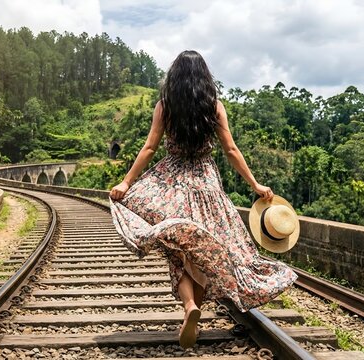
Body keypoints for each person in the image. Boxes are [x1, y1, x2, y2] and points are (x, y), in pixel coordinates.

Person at [109, 50, 297, 349]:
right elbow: (231, 150)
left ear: (175, 77)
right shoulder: (214, 106)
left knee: (179, 250)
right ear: (204, 78)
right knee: (201, 249)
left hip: (171, 183)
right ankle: (194, 314)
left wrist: (126, 182)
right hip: (206, 183)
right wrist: (255, 184)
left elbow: (149, 148)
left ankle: (188, 308)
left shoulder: (165, 106)